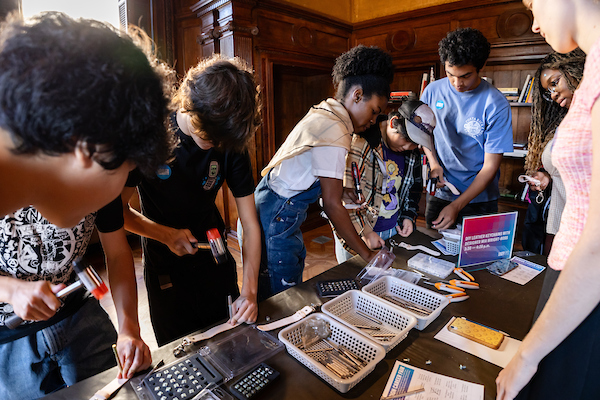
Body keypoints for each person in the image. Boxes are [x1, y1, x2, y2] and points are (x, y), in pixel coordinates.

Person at [0, 12, 173, 398]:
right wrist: (10, 290)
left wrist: (129, 325)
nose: (118, 194)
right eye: (124, 172)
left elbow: (117, 252)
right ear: (87, 148)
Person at [496, 1, 600, 399]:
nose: (535, 23)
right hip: (571, 272)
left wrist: (527, 355)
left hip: (586, 284)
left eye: (533, 4)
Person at [122, 54, 262, 346]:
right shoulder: (153, 132)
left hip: (214, 255)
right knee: (181, 353)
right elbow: (118, 213)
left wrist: (249, 291)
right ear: (190, 104)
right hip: (164, 263)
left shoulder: (229, 138)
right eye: (210, 137)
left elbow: (248, 223)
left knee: (231, 341)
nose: (218, 146)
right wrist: (165, 234)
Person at [255, 45, 394, 297]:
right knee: (282, 292)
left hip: (276, 207)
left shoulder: (326, 112)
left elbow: (317, 178)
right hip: (278, 214)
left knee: (290, 272)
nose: (373, 121)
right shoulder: (336, 130)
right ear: (358, 95)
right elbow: (331, 205)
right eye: (374, 111)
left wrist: (342, 192)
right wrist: (366, 254)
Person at [421, 27, 514, 231]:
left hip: (480, 199)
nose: (457, 83)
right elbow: (423, 133)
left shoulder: (496, 103)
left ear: (481, 66)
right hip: (441, 192)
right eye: (450, 74)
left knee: (478, 261)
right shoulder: (432, 91)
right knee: (432, 257)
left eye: (465, 76)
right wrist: (434, 163)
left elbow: (490, 167)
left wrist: (457, 205)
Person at [333, 100, 436, 263]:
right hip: (358, 229)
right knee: (356, 276)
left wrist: (408, 216)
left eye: (415, 143)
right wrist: (365, 232)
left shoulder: (411, 152)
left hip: (392, 229)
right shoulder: (361, 142)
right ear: (394, 122)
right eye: (406, 139)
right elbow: (345, 198)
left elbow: (413, 188)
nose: (409, 147)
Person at [521, 49, 585, 255]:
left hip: (583, 230)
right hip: (559, 225)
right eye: (548, 91)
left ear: (575, 72)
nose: (553, 93)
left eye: (555, 83)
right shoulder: (563, 123)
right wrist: (547, 176)